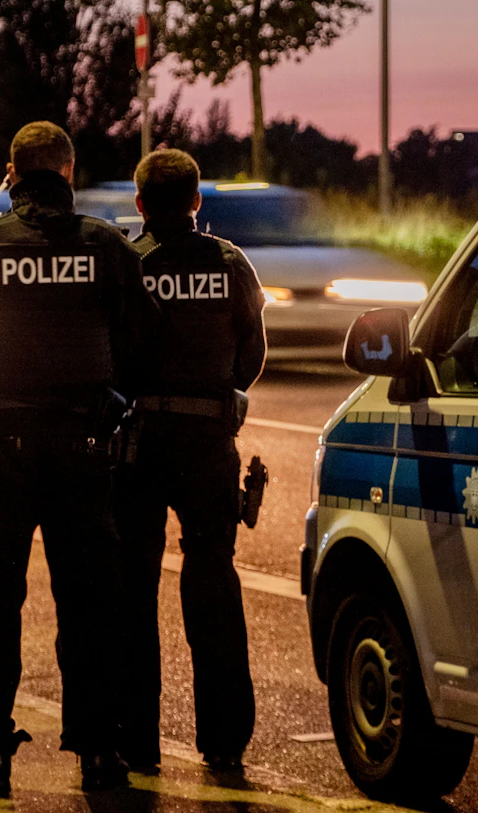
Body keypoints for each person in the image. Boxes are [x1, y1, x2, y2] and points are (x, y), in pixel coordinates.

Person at [0, 121, 157, 796]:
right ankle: (100, 753)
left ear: (12, 173)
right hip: (85, 449)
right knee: (89, 602)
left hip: (3, 448)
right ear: (69, 172)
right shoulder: (107, 247)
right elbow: (139, 335)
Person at [116, 149, 266, 776]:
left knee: (131, 590)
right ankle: (225, 739)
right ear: (198, 201)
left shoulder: (128, 264)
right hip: (208, 444)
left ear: (141, 204)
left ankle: (135, 743)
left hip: (141, 441)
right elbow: (251, 356)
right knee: (213, 583)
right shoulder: (231, 264)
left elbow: (110, 350)